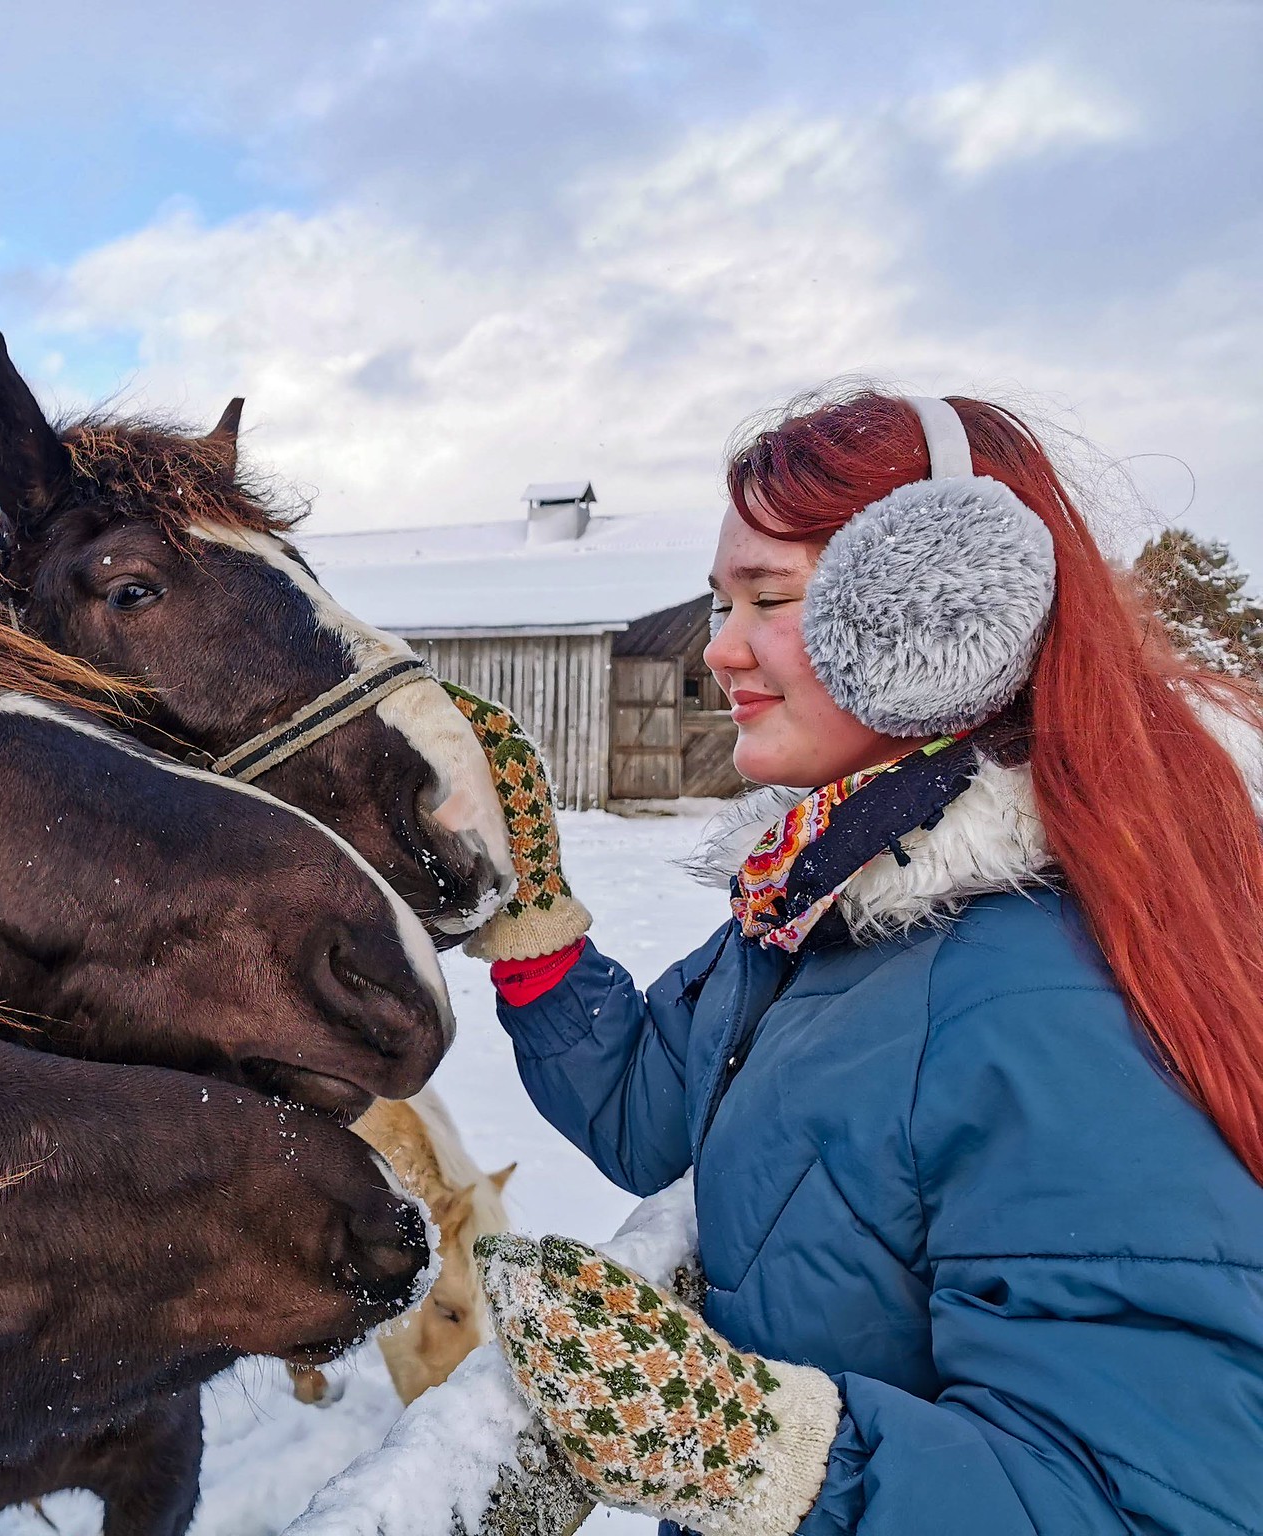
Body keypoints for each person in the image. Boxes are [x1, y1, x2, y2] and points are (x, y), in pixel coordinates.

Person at [457, 391, 1263, 1535]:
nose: (715, 648)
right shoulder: (826, 905)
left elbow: (1146, 1502)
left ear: (945, 616)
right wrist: (533, 925)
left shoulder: (1047, 997)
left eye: (766, 599)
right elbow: (652, 1115)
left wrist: (756, 1454)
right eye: (716, 599)